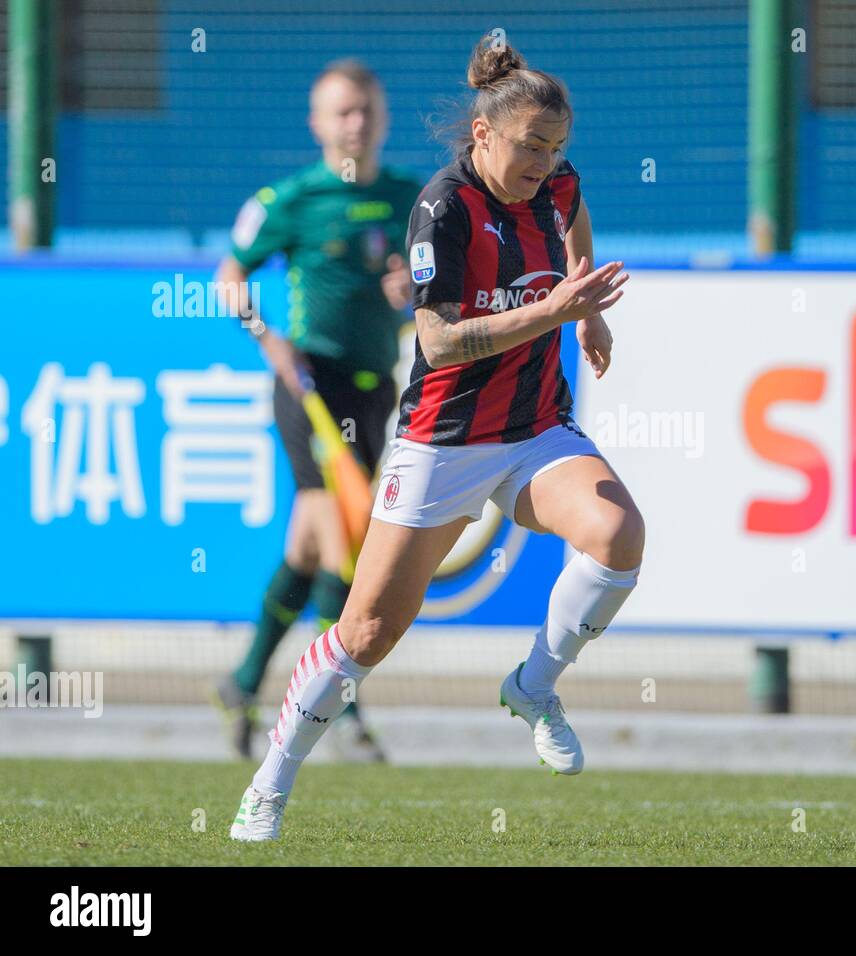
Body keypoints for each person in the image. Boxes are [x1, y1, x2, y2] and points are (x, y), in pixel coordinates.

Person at [230, 35, 643, 841]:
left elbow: (575, 221)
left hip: (535, 428)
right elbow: (443, 341)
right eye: (531, 146)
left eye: (556, 148)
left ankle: (534, 686)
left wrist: (585, 305)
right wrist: (555, 311)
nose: (545, 163)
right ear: (484, 136)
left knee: (618, 535)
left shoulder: (557, 185)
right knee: (365, 634)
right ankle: (270, 782)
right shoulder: (442, 207)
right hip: (443, 440)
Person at [213, 59, 423, 763]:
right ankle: (336, 706)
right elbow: (231, 275)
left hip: (373, 388)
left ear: (382, 115)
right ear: (318, 123)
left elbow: (432, 290)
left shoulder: (410, 199)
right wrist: (268, 339)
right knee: (345, 534)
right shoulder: (292, 199)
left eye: (365, 109)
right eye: (341, 112)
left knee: (311, 545)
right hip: (310, 388)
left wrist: (411, 296)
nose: (354, 123)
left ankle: (243, 682)